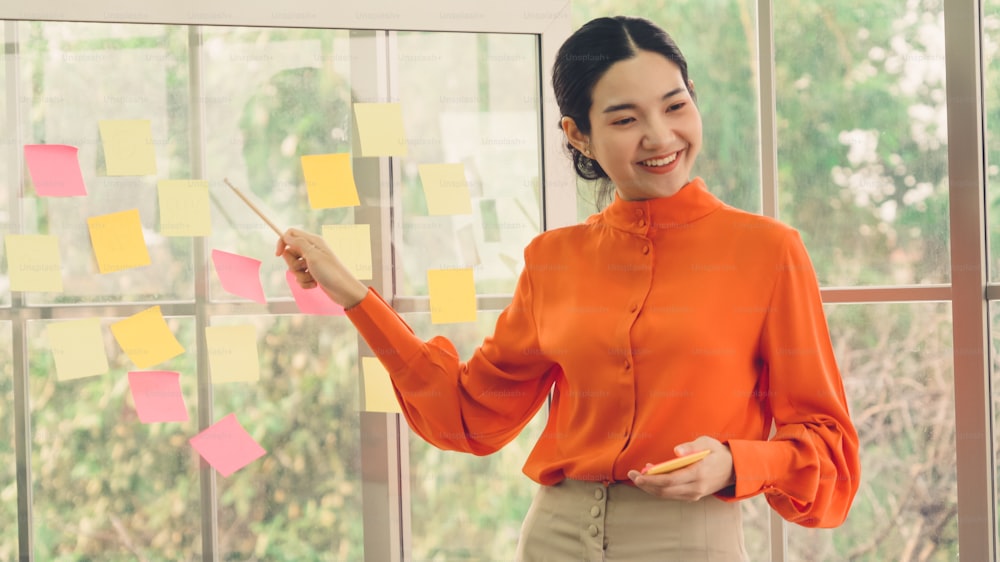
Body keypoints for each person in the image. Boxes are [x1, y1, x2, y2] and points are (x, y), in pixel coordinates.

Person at [276, 15, 860, 561]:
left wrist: (736, 462)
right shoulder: (553, 259)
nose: (660, 137)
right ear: (578, 135)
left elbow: (831, 448)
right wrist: (356, 296)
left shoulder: (767, 251)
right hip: (554, 535)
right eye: (625, 119)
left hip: (687, 539)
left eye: (675, 105)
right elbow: (468, 416)